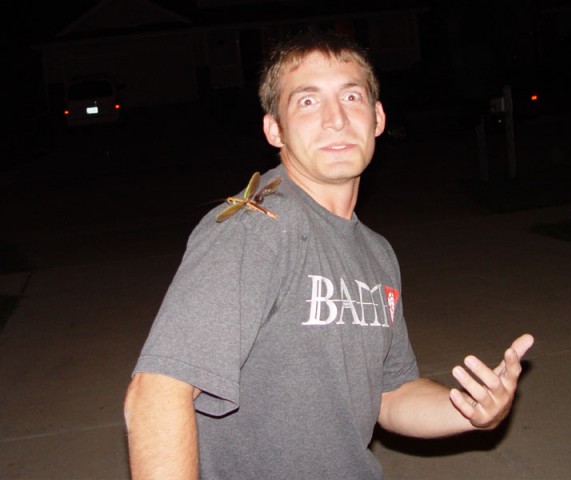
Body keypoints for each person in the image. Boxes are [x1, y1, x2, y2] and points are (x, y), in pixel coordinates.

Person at [124, 30, 534, 479]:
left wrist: (471, 411)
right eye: (307, 101)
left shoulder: (376, 253)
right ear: (274, 129)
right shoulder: (255, 229)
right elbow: (158, 392)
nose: (336, 119)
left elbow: (391, 394)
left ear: (377, 117)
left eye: (351, 97)